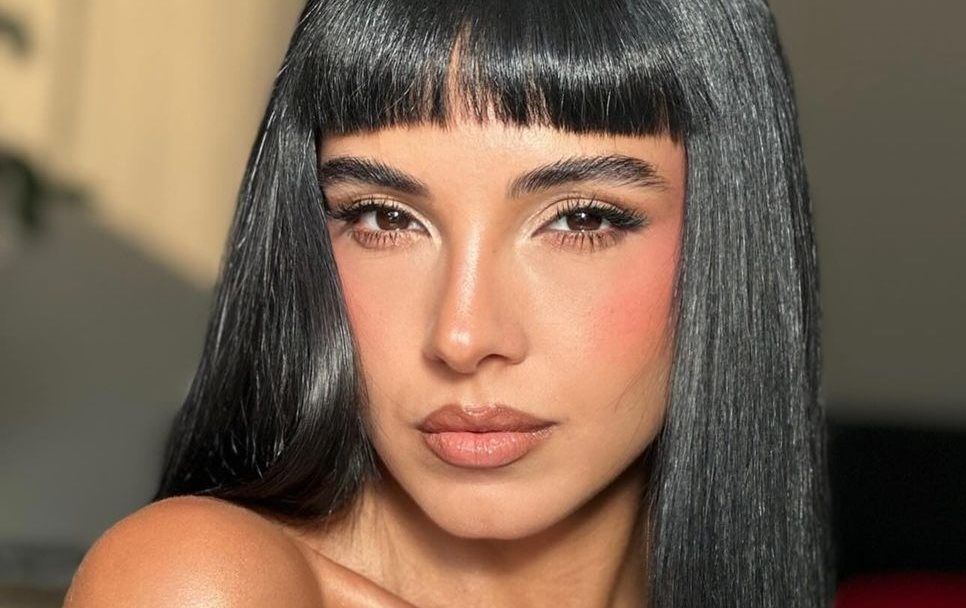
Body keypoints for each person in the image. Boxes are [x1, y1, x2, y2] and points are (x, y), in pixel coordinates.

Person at [65, 0, 830, 606]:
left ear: (732, 236)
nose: (461, 336)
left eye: (580, 219)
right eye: (384, 217)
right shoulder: (208, 584)